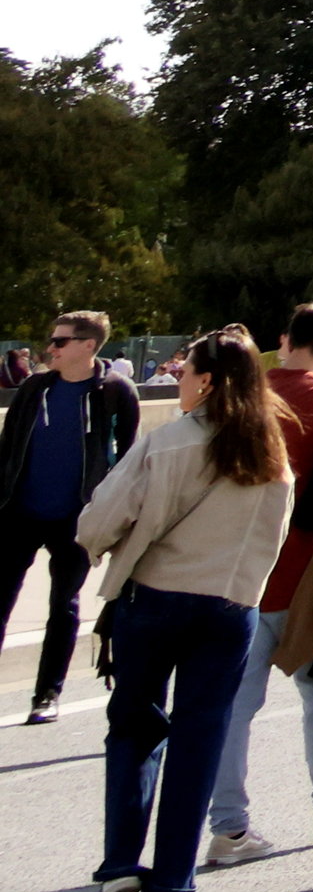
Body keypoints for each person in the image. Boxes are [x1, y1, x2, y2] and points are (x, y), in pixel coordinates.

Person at [76, 336, 291, 892]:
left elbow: (98, 522)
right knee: (200, 739)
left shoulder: (167, 442)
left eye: (185, 370)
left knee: (135, 727)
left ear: (208, 381)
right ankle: (171, 881)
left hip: (157, 596)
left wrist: (111, 545)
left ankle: (120, 865)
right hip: (231, 606)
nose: (178, 379)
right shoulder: (271, 453)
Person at [197, 302, 313, 869]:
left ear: (287, 339)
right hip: (307, 573)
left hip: (238, 571)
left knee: (233, 705)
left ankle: (228, 827)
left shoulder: (244, 393)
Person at [5, 307, 140, 726]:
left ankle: (47, 694)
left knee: (63, 605)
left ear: (87, 346)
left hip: (76, 520)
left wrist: (108, 512)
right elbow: (8, 446)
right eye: (52, 339)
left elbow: (128, 457)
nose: (51, 348)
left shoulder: (116, 391)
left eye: (60, 341)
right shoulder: (34, 389)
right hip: (20, 513)